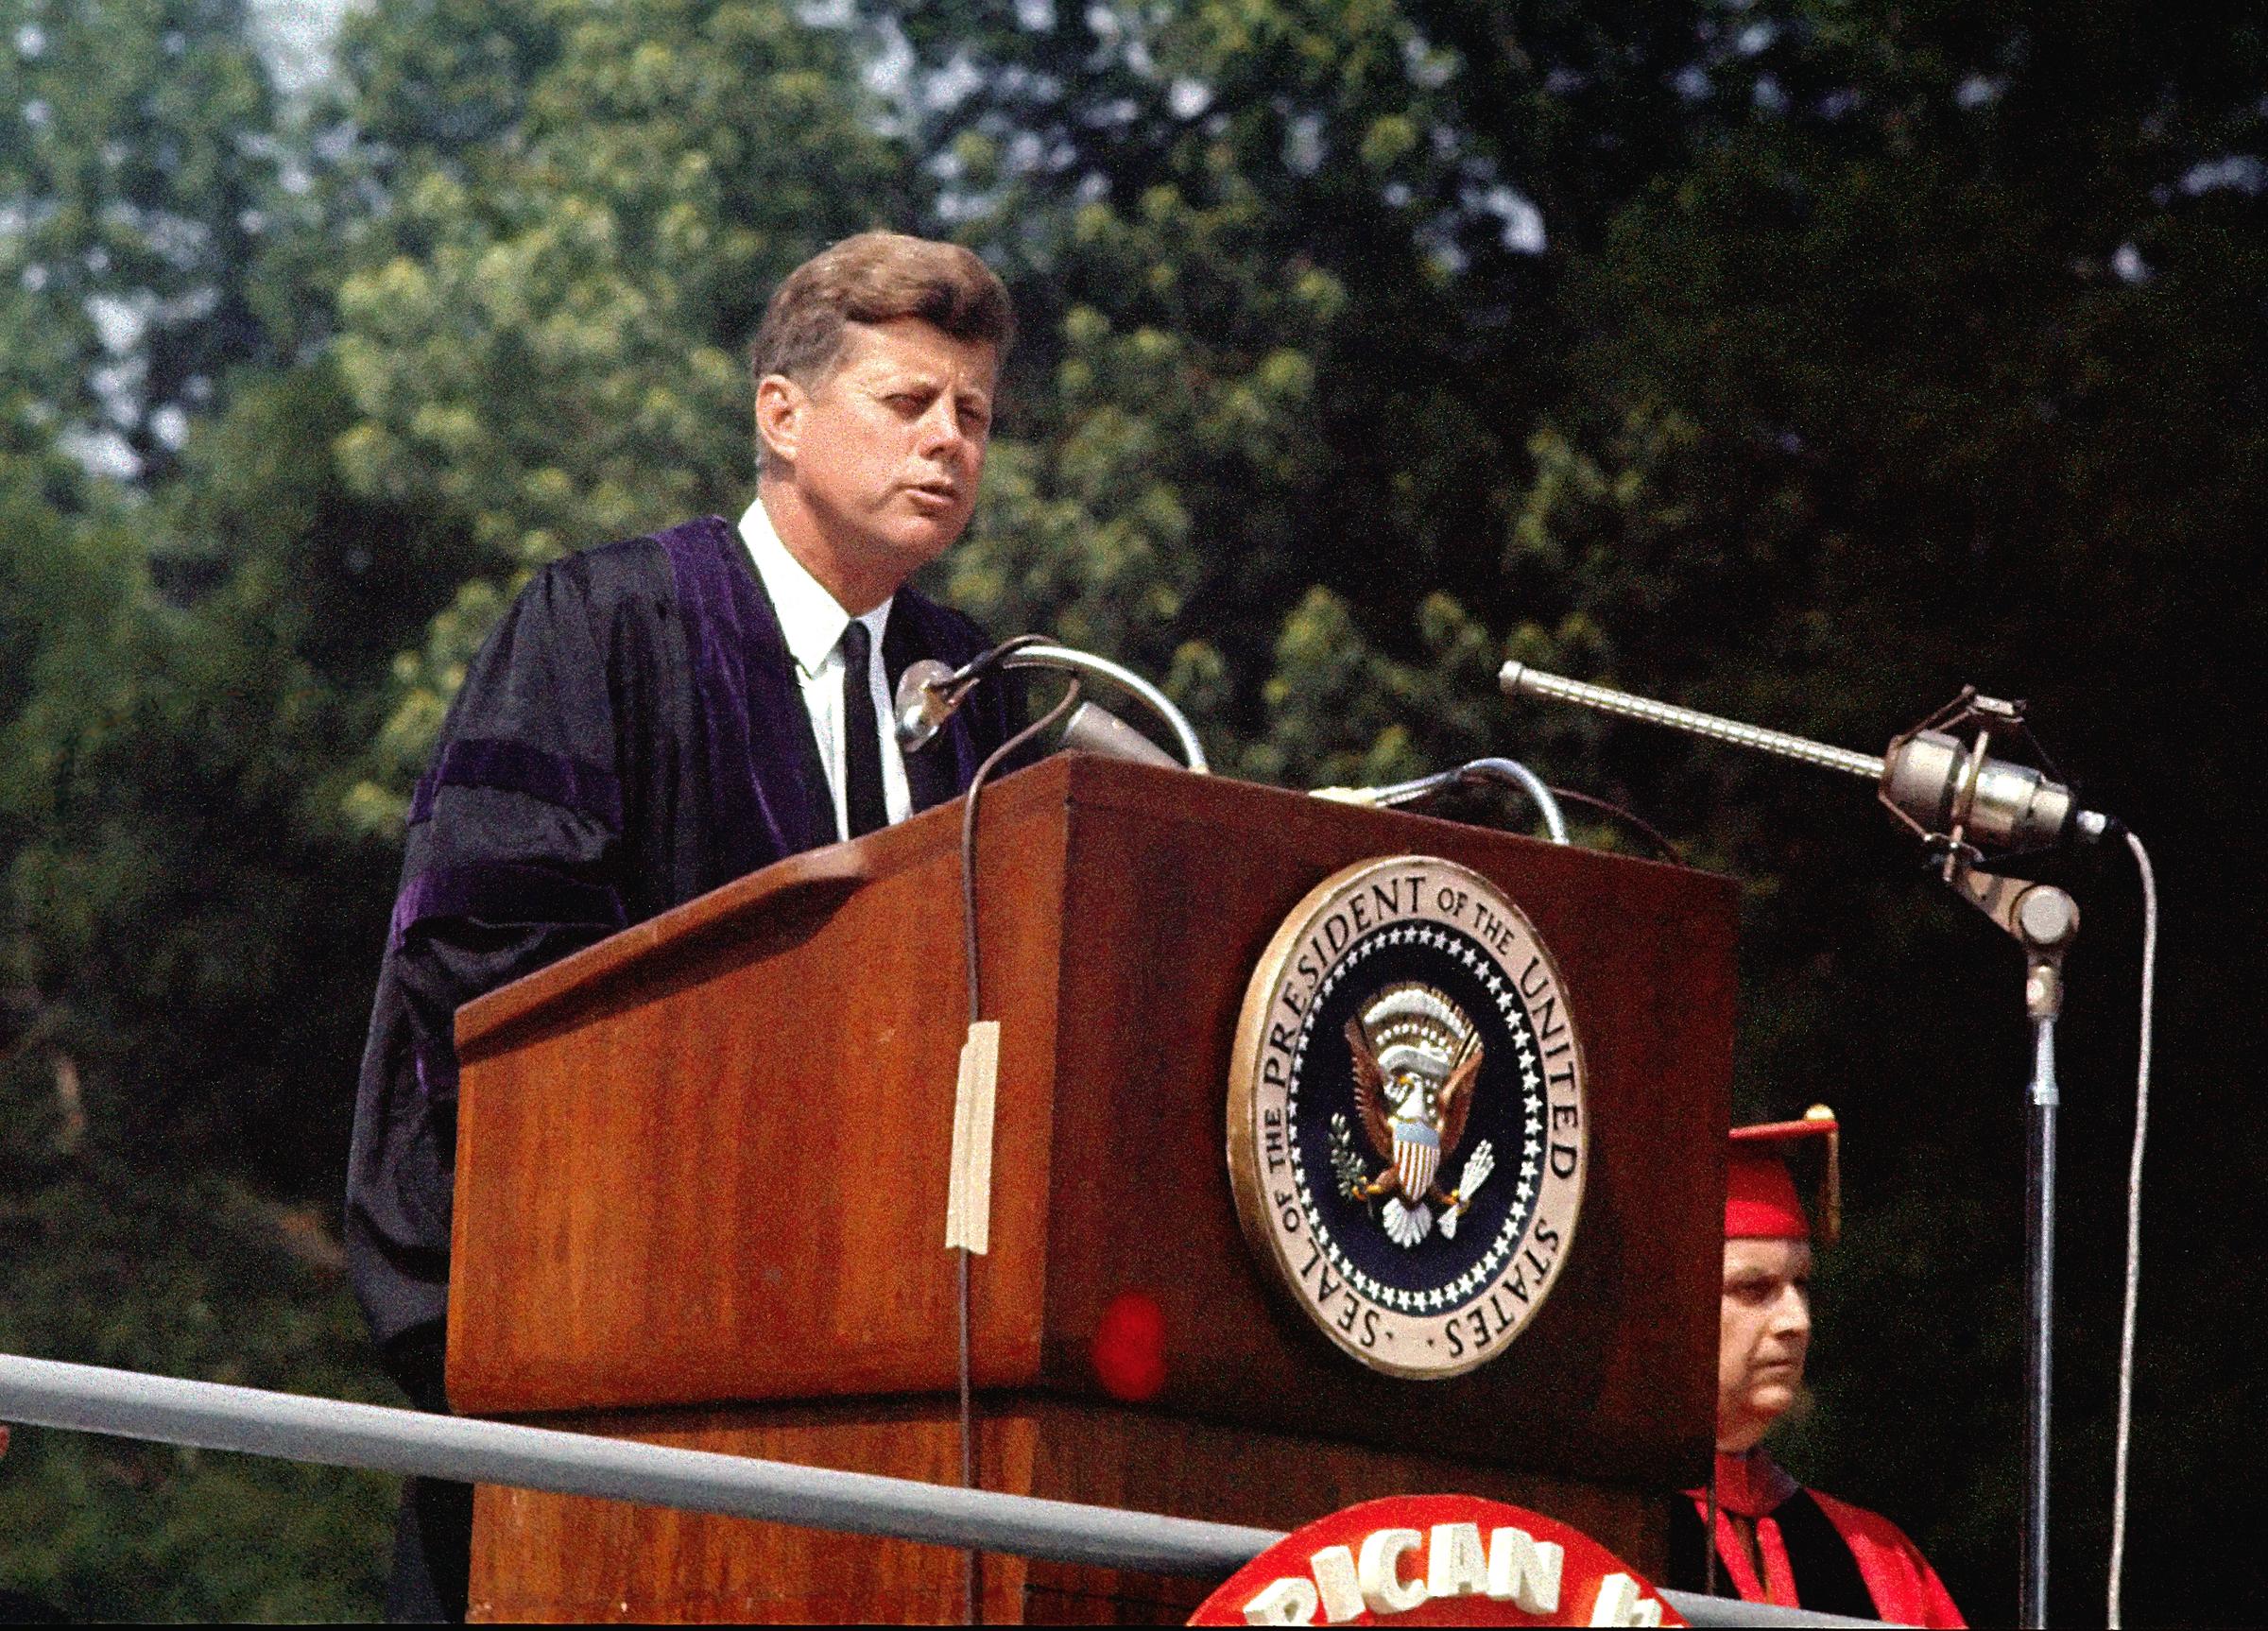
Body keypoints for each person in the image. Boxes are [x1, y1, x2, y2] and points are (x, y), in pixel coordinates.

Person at [345, 231, 1025, 1620]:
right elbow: (487, 978)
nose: (950, 441)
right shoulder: (610, 624)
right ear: (782, 413)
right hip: (609, 1376)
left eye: (975, 414)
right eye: (909, 402)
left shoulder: (985, 697)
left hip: (898, 1401)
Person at [1666, 1109, 1966, 1628]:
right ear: (1672, 1307)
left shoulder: (1878, 1559)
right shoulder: (1596, 1533)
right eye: (1753, 1290)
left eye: (1801, 1285)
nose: (1796, 1321)